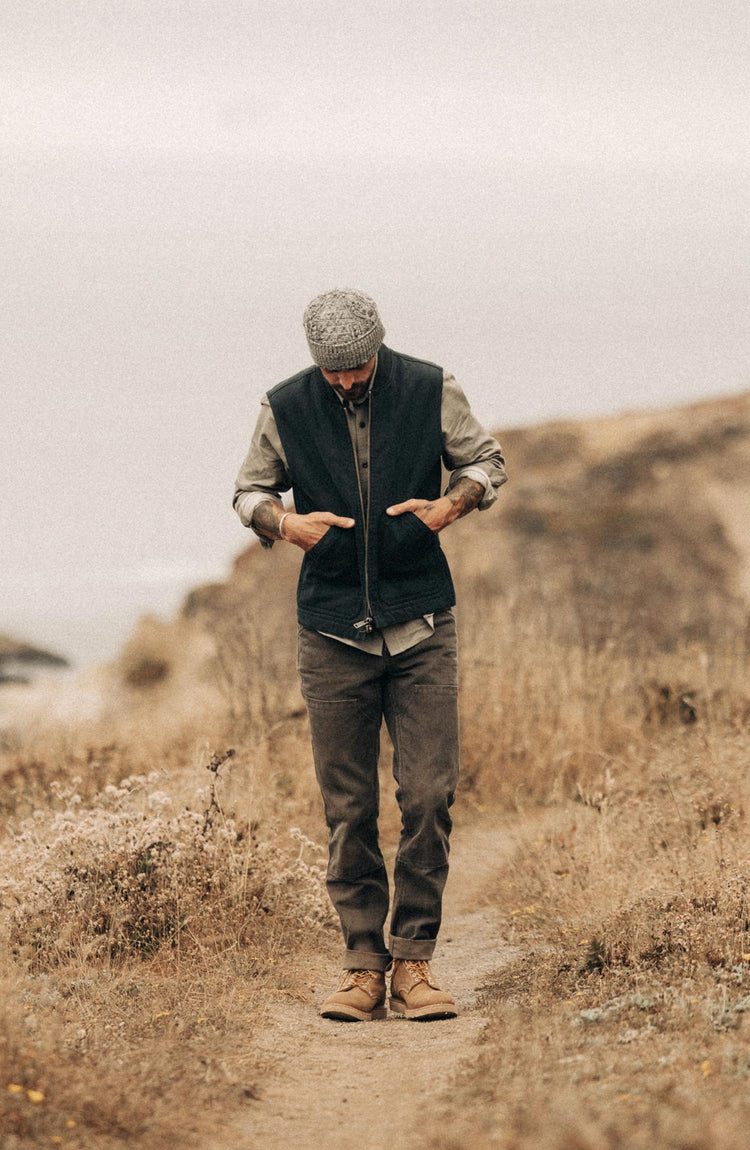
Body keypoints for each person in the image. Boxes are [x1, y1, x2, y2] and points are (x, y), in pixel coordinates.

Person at [233, 289, 506, 1022]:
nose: (349, 380)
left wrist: (450, 507)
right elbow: (248, 491)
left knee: (426, 796)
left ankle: (415, 962)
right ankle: (362, 967)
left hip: (422, 624)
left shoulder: (429, 386)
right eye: (335, 371)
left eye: (358, 366)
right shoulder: (285, 404)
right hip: (329, 634)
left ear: (378, 348)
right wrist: (284, 524)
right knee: (348, 809)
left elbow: (487, 461)